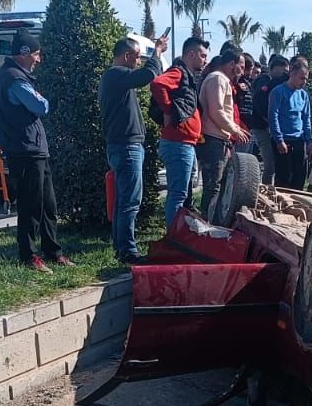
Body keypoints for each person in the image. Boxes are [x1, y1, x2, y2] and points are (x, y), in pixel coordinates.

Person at [0, 28, 71, 271]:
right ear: (24, 53)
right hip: (24, 149)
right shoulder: (14, 79)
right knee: (30, 205)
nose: (39, 59)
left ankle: (53, 251)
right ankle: (29, 255)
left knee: (48, 205)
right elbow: (40, 107)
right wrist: (41, 98)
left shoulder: (15, 75)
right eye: (36, 54)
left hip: (34, 148)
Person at [99, 32, 169, 263]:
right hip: (127, 146)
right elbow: (148, 75)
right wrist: (157, 51)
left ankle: (122, 248)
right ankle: (128, 250)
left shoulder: (115, 78)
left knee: (124, 200)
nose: (139, 61)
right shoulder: (116, 74)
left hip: (123, 145)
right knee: (130, 201)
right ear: (127, 56)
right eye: (138, 57)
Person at [151, 36, 209, 228]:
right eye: (202, 55)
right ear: (191, 54)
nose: (205, 60)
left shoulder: (187, 75)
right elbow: (158, 84)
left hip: (185, 143)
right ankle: (173, 235)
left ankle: (178, 232)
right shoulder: (178, 72)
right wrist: (168, 110)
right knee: (178, 193)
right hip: (178, 143)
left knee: (182, 193)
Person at [198, 46, 247, 216]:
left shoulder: (221, 79)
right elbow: (216, 111)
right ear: (232, 64)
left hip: (218, 139)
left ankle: (211, 220)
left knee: (218, 185)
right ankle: (206, 221)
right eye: (241, 66)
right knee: (213, 185)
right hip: (213, 139)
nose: (242, 71)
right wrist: (235, 130)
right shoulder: (218, 79)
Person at [268, 56, 312, 190]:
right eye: (301, 78)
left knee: (299, 177)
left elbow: (306, 118)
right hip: (283, 140)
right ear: (292, 74)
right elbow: (273, 116)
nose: (304, 82)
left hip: (299, 140)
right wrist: (279, 140)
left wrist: (309, 141)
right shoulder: (278, 92)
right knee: (284, 178)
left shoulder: (303, 95)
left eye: (306, 79)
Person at [250, 54, 288, 185]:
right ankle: (267, 190)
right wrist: (269, 120)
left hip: (274, 127)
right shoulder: (264, 81)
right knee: (270, 163)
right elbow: (259, 103)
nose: (284, 75)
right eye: (282, 71)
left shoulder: (281, 84)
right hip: (262, 127)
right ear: (272, 69)